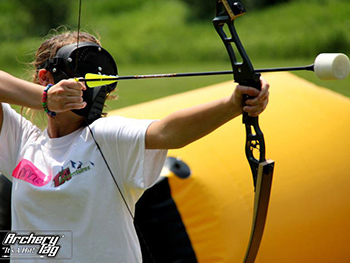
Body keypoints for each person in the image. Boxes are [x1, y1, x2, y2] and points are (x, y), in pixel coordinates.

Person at [0, 31, 269, 262]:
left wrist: (234, 104)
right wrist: (47, 98)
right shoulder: (23, 141)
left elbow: (167, 132)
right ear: (44, 77)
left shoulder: (104, 138)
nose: (85, 90)